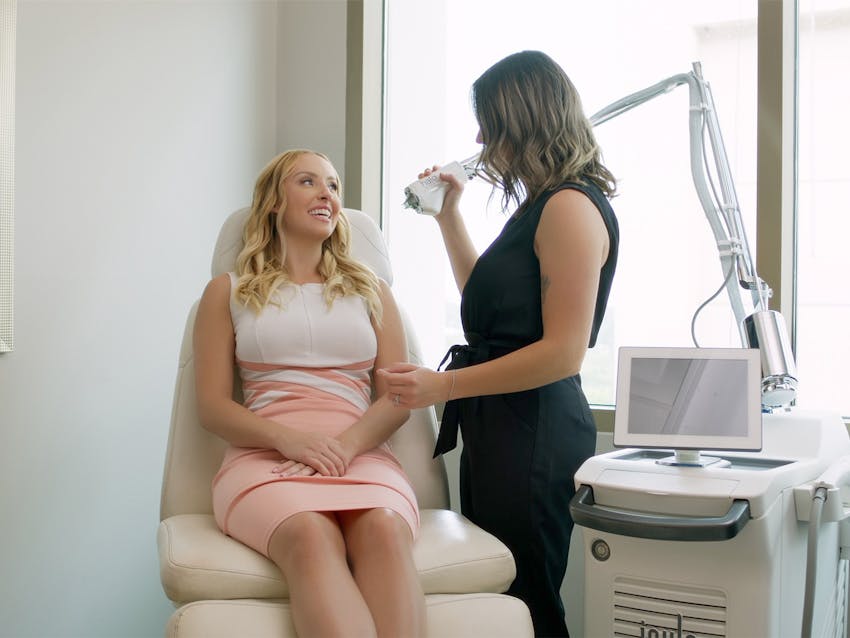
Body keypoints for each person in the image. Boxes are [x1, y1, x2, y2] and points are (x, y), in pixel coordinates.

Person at [378, 50, 619, 637]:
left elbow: (564, 351)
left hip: (535, 429)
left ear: (523, 116)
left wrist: (443, 386)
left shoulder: (569, 206)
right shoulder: (537, 208)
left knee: (530, 598)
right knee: (505, 599)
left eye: (489, 120)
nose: (481, 137)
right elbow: (484, 311)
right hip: (502, 424)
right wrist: (447, 217)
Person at [193, 149, 426, 638]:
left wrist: (342, 447)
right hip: (268, 461)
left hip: (360, 455)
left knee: (383, 528)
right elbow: (212, 408)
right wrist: (289, 440)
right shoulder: (227, 292)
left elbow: (398, 397)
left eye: (335, 185)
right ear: (274, 201)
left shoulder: (374, 291)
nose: (327, 194)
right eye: (308, 181)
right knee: (309, 533)